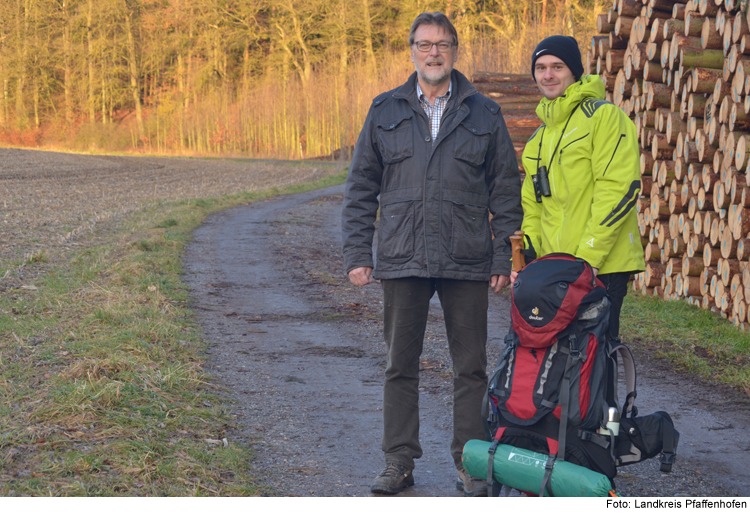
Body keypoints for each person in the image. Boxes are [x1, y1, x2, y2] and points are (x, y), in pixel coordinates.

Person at [341, 12, 522, 496]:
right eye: (425, 44)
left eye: (442, 44)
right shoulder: (384, 110)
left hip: (467, 257)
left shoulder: (485, 113)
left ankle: (471, 461)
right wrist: (359, 250)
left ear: (455, 50)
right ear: (412, 51)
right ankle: (398, 460)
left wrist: (504, 257)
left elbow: (505, 189)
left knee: (472, 368)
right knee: (400, 364)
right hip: (402, 255)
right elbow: (361, 187)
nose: (434, 52)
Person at [515, 35, 645, 342]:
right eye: (541, 67)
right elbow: (533, 209)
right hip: (554, 269)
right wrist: (528, 265)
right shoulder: (537, 140)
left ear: (574, 71)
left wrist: (588, 260)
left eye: (557, 67)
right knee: (553, 364)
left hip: (601, 266)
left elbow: (618, 190)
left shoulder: (605, 117)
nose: (548, 75)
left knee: (593, 364)